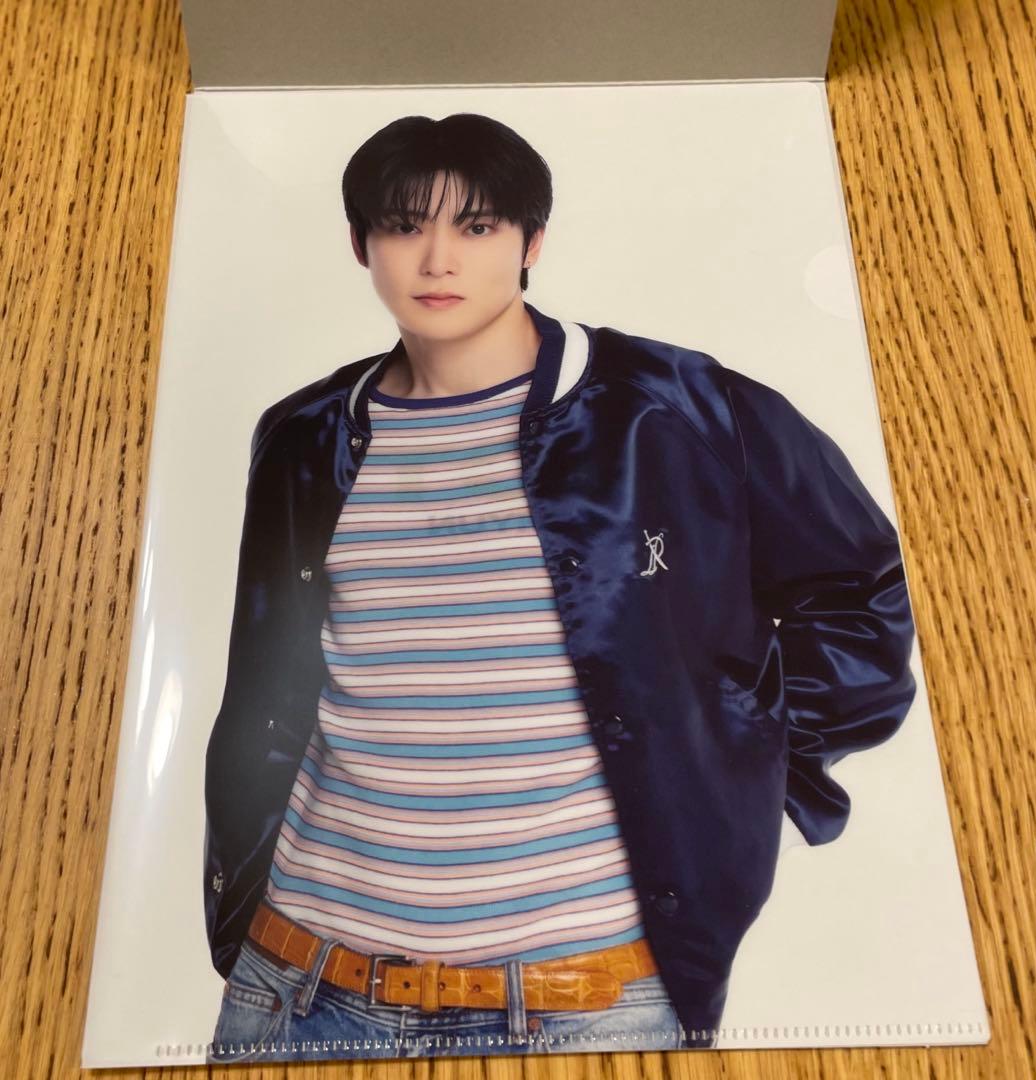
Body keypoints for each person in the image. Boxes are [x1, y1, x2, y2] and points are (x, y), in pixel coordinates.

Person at [203, 113, 916, 1064]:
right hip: (300, 987)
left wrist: (740, 781)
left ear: (532, 242)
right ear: (359, 244)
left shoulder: (680, 409)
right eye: (404, 226)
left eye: (477, 227)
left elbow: (862, 594)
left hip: (589, 1002)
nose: (437, 259)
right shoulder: (304, 436)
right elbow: (268, 683)